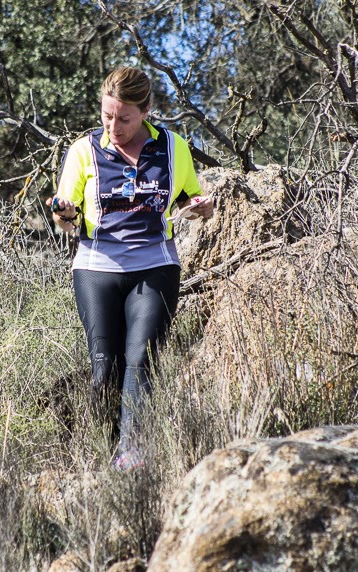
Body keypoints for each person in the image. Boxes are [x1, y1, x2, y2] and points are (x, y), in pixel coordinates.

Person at [47, 67, 214, 471]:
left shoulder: (173, 148)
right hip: (96, 266)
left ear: (146, 111)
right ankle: (102, 457)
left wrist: (199, 209)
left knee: (142, 358)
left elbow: (189, 202)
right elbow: (63, 214)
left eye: (124, 118)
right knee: (105, 364)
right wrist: (64, 215)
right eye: (107, 115)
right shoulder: (83, 151)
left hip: (155, 265)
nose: (113, 126)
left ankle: (131, 454)